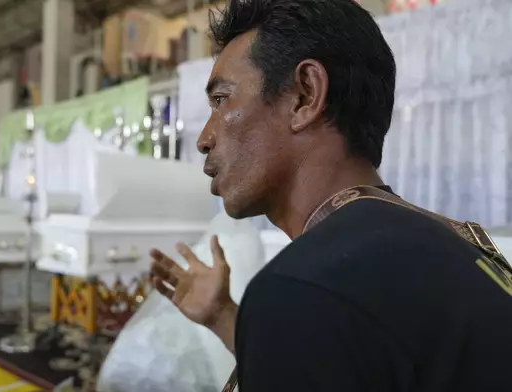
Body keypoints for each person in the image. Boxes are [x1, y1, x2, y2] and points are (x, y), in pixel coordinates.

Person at [149, 0, 512, 391]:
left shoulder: (304, 289)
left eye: (221, 100)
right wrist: (224, 316)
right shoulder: (456, 248)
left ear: (305, 95)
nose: (204, 139)